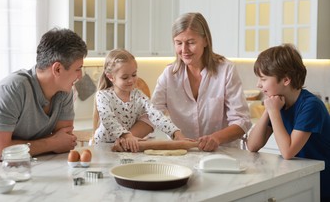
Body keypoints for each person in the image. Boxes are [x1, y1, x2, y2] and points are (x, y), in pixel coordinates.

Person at [0, 28, 88, 169]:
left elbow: (64, 143)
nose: (80, 76)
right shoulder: (13, 88)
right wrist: (51, 143)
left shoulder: (64, 91)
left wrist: (12, 145)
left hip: (10, 171)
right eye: (78, 69)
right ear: (57, 69)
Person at [151, 12, 252, 151]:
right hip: (182, 154)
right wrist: (127, 137)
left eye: (191, 42)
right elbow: (152, 113)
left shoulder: (226, 71)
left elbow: (242, 121)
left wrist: (216, 138)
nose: (184, 50)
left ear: (205, 41)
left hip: (223, 154)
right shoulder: (169, 75)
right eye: (178, 43)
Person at [246, 44, 330, 201]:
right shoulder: (279, 103)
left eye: (263, 79)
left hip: (322, 182)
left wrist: (273, 111)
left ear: (285, 80)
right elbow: (252, 145)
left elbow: (288, 152)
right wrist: (268, 110)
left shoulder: (310, 106)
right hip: (300, 177)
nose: (258, 84)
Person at [93, 48, 187, 152]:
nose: (131, 80)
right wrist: (126, 135)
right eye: (125, 77)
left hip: (124, 146)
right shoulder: (103, 96)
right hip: (103, 147)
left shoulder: (138, 95)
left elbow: (156, 114)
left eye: (134, 75)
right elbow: (108, 120)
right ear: (110, 77)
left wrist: (175, 132)